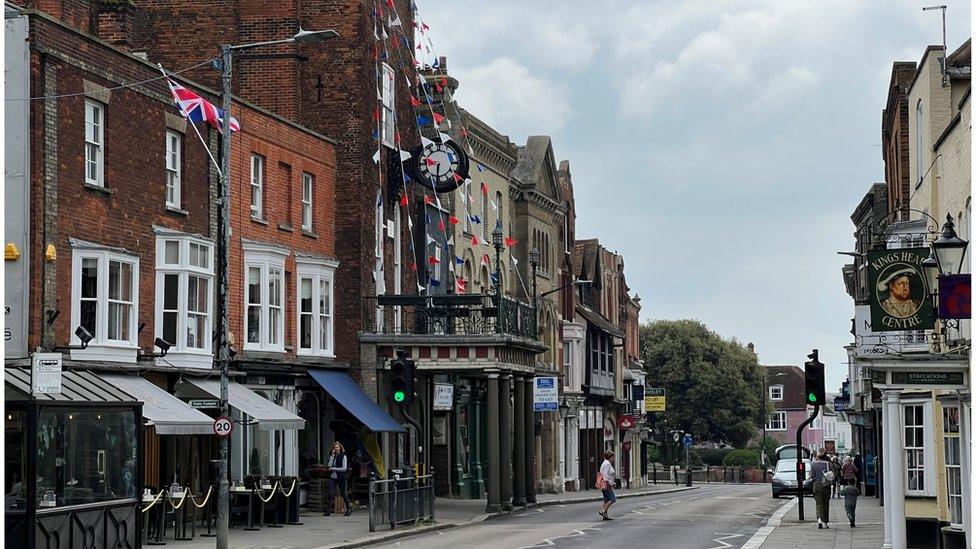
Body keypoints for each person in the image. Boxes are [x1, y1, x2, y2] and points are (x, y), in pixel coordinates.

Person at [323, 442, 351, 517]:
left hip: (341, 477)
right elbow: (329, 465)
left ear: (340, 448)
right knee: (331, 493)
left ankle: (348, 509)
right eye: (335, 447)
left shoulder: (343, 456)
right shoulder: (332, 456)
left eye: (337, 447)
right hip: (333, 477)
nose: (336, 449)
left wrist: (333, 468)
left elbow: (344, 468)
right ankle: (328, 511)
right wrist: (332, 456)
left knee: (343, 494)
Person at [811, 448, 832, 529]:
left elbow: (812, 476)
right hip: (826, 485)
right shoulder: (828, 464)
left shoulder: (814, 464)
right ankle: (825, 523)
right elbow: (832, 475)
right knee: (826, 503)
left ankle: (819, 519)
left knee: (819, 503)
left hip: (817, 485)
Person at [598, 451, 616, 520]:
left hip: (602, 482)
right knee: (612, 499)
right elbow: (605, 475)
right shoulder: (607, 464)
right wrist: (609, 483)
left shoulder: (605, 463)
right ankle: (603, 511)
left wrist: (612, 482)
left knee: (606, 499)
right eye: (613, 457)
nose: (613, 458)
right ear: (610, 457)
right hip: (606, 483)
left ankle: (605, 515)